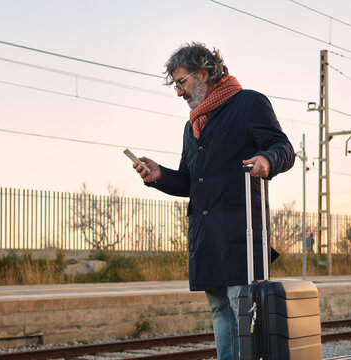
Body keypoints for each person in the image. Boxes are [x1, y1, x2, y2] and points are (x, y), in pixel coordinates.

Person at [132, 42, 295, 360]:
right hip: (206, 237)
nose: (179, 92)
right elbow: (189, 182)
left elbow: (283, 148)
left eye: (182, 82)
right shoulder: (191, 126)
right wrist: (159, 176)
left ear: (204, 74)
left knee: (242, 313)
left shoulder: (248, 103)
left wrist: (266, 159)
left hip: (240, 234)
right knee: (220, 310)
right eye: (176, 85)